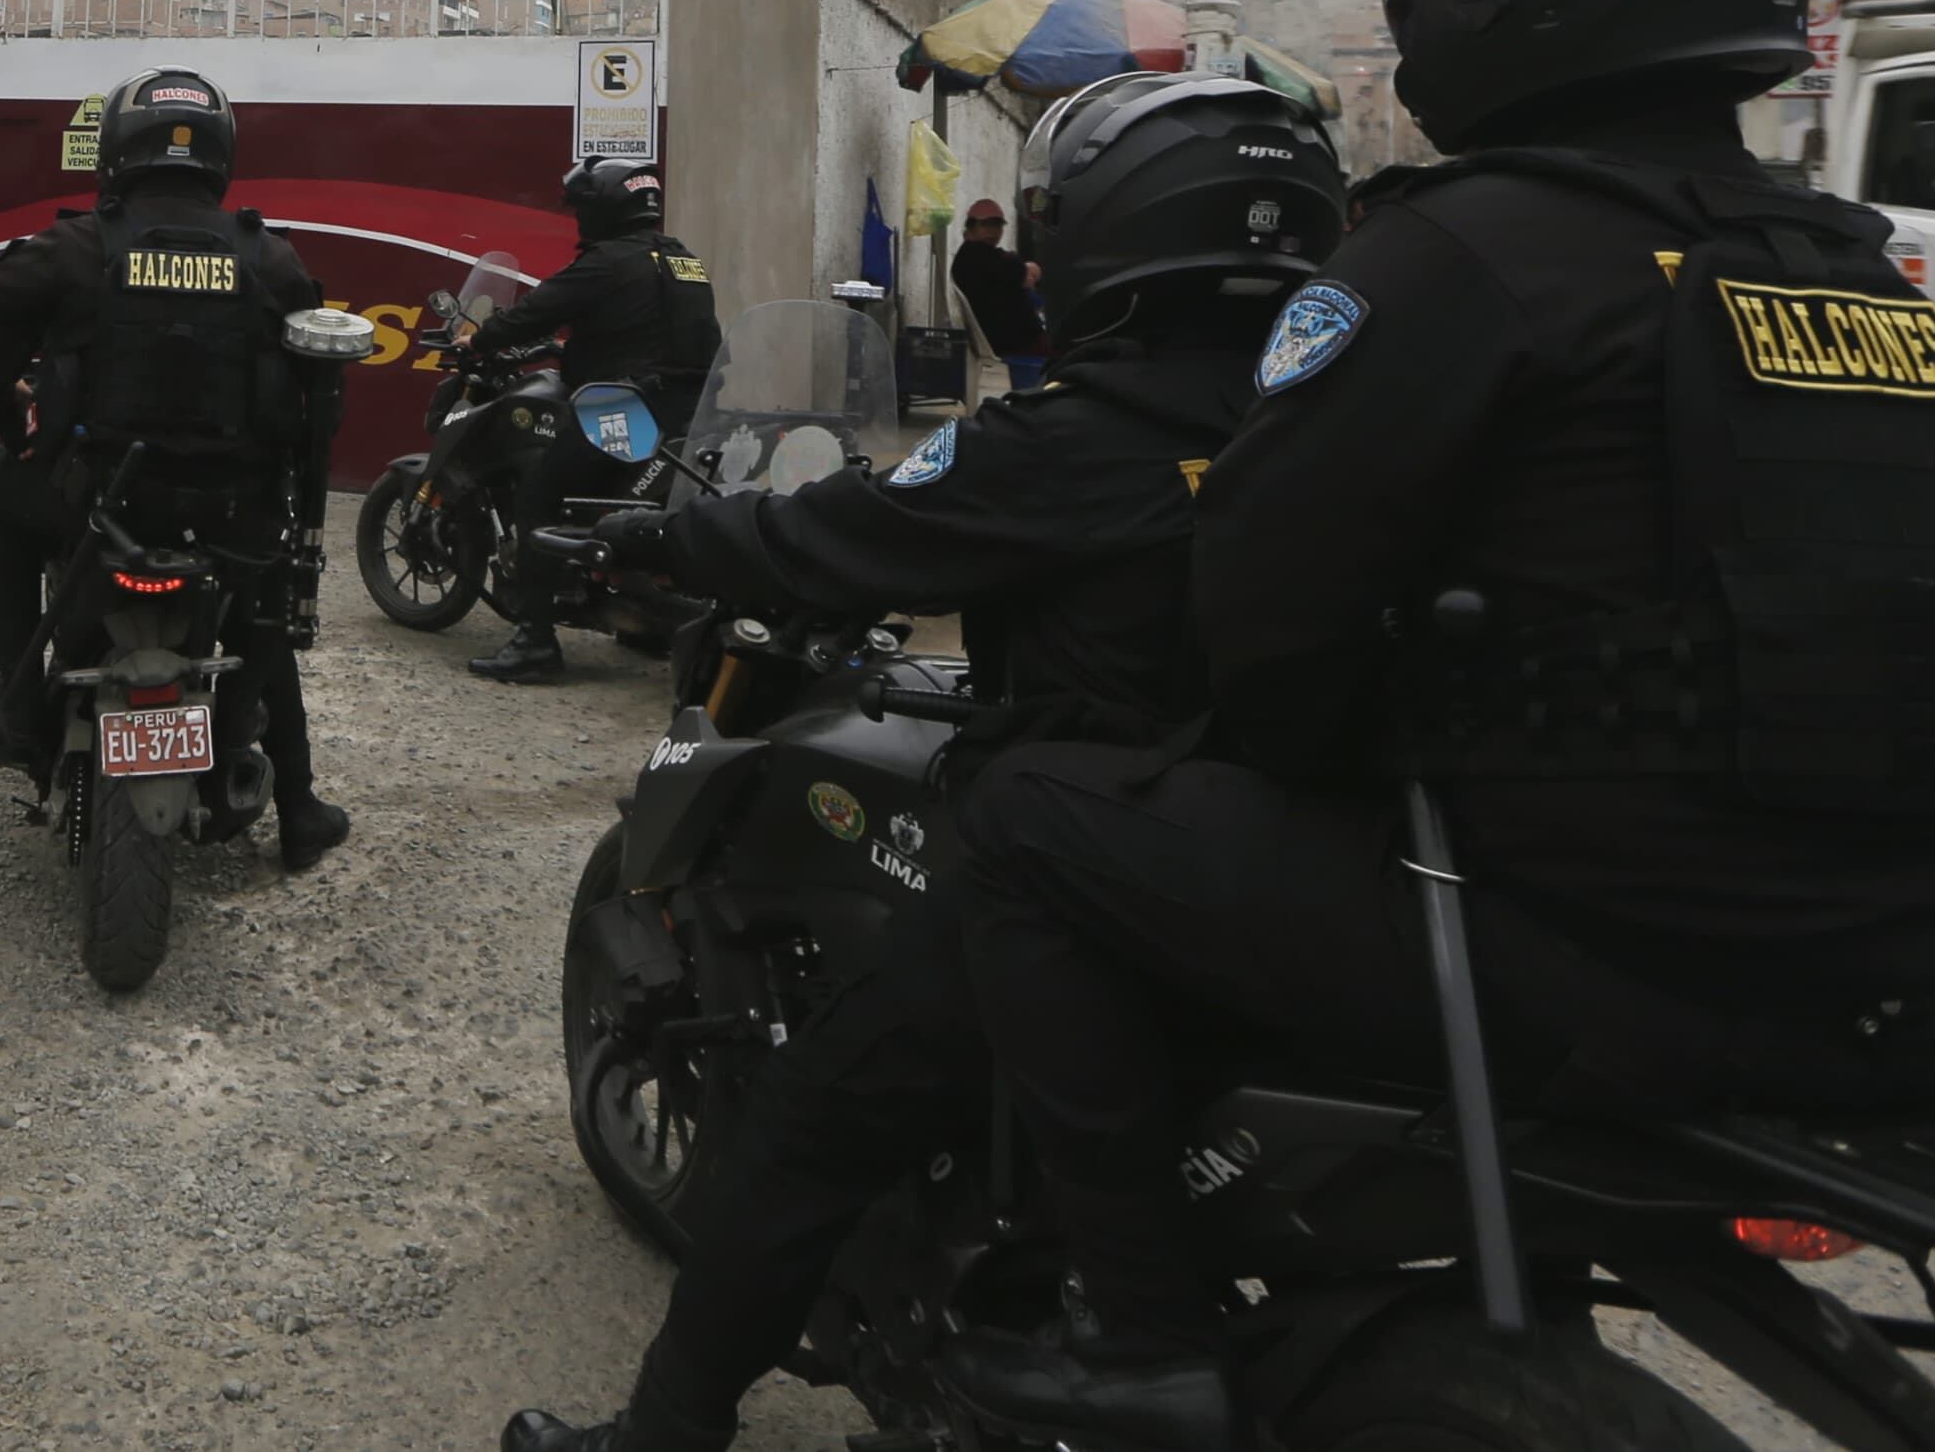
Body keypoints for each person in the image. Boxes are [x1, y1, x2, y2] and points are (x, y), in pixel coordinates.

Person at [944, 0, 1935, 1452]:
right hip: (1926, 986)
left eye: (1413, 6)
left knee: (1031, 822)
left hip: (1615, 973)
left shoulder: (1460, 255)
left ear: (1523, 8)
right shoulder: (1866, 277)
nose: (1401, 45)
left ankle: (1139, 1329)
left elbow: (1270, 637)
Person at [499, 73, 1346, 1452]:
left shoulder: (1074, 439)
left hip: (1089, 855)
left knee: (803, 1131)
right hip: (1305, 857)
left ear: (1107, 243)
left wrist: (656, 541)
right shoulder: (1343, 416)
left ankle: (664, 1428)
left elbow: (834, 530)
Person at [0, 67, 352, 872]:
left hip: (92, 508)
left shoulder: (75, 246)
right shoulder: (271, 259)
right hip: (229, 518)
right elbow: (316, 400)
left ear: (118, 150)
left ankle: (17, 708)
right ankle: (297, 807)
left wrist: (7, 413)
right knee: (261, 608)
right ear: (220, 155)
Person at [464, 158, 724, 684]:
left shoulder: (607, 262)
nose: (580, 218)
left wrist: (479, 339)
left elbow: (534, 310)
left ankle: (535, 642)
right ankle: (641, 617)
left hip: (627, 411)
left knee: (540, 497)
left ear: (604, 207)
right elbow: (661, 332)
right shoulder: (682, 261)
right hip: (691, 414)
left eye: (583, 207)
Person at [948, 196, 1046, 393]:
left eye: (997, 225)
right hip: (1014, 340)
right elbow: (1025, 273)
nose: (993, 231)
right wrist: (1021, 266)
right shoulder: (977, 256)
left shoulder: (977, 254)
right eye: (986, 225)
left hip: (1009, 335)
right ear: (971, 228)